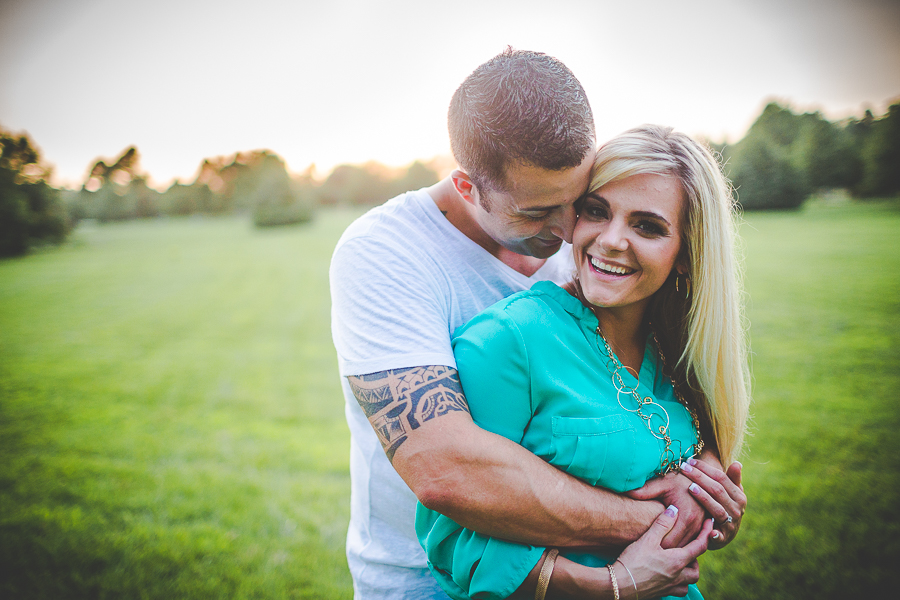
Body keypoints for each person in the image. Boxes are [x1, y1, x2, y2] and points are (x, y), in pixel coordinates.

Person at [330, 49, 742, 599]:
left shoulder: (593, 256)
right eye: (535, 212)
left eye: (579, 202)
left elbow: (658, 387)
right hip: (421, 581)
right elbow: (448, 468)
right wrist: (662, 523)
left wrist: (703, 477)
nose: (568, 230)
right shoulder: (388, 254)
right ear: (467, 187)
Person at [415, 124, 751, 599]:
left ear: (686, 254)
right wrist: (613, 586)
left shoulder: (679, 350)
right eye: (597, 211)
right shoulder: (510, 340)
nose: (612, 240)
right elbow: (453, 542)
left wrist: (710, 516)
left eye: (647, 226)